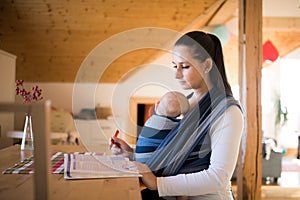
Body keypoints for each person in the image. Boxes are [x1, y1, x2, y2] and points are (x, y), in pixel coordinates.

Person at [110, 31, 244, 199]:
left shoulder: (228, 113)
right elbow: (174, 154)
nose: (176, 74)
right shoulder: (184, 104)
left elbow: (218, 176)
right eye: (175, 66)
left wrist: (156, 183)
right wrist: (130, 154)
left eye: (185, 66)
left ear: (207, 66)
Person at [135, 91, 190, 163]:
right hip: (150, 164)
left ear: (157, 104)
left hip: (141, 160)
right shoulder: (172, 125)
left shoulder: (150, 122)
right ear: (178, 115)